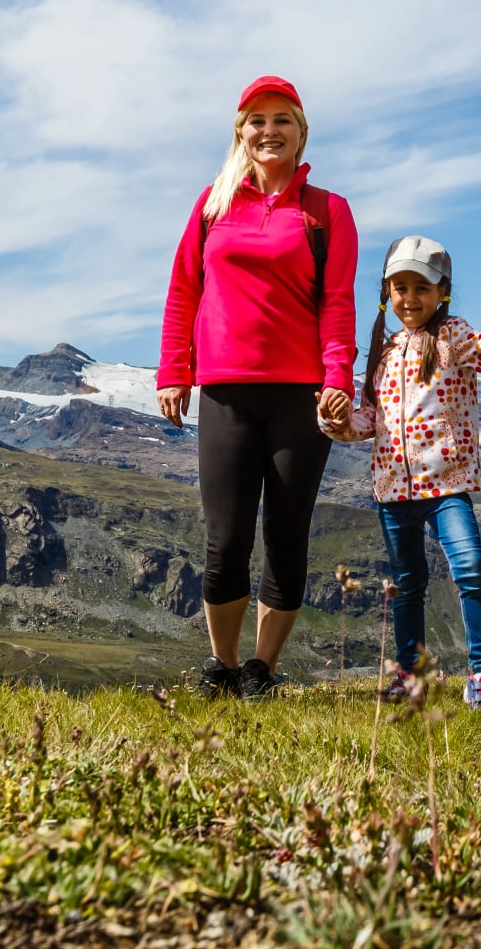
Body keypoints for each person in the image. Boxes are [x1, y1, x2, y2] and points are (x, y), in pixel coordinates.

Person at [157, 75, 359, 700]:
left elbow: (337, 304)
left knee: (287, 535)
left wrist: (338, 380)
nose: (268, 132)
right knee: (226, 536)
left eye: (282, 121)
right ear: (240, 133)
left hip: (300, 395)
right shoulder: (212, 204)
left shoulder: (327, 210)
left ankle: (261, 671)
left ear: (302, 133)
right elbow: (183, 289)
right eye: (257, 121)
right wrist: (173, 370)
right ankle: (220, 665)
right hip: (224, 392)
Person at [320, 235, 481, 708]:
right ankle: (409, 675)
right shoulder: (383, 350)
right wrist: (334, 420)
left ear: (443, 292)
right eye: (400, 288)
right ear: (386, 293)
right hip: (392, 491)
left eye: (421, 287)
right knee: (407, 585)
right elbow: (368, 422)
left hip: (447, 486)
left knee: (470, 569)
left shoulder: (454, 337)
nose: (410, 298)